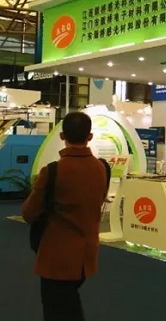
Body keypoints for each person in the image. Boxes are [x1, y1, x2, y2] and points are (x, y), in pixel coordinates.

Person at [22, 112, 109, 321]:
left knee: (57, 310)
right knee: (69, 304)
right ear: (89, 136)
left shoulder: (53, 171)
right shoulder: (103, 168)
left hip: (56, 257)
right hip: (86, 256)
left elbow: (28, 213)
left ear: (62, 136)